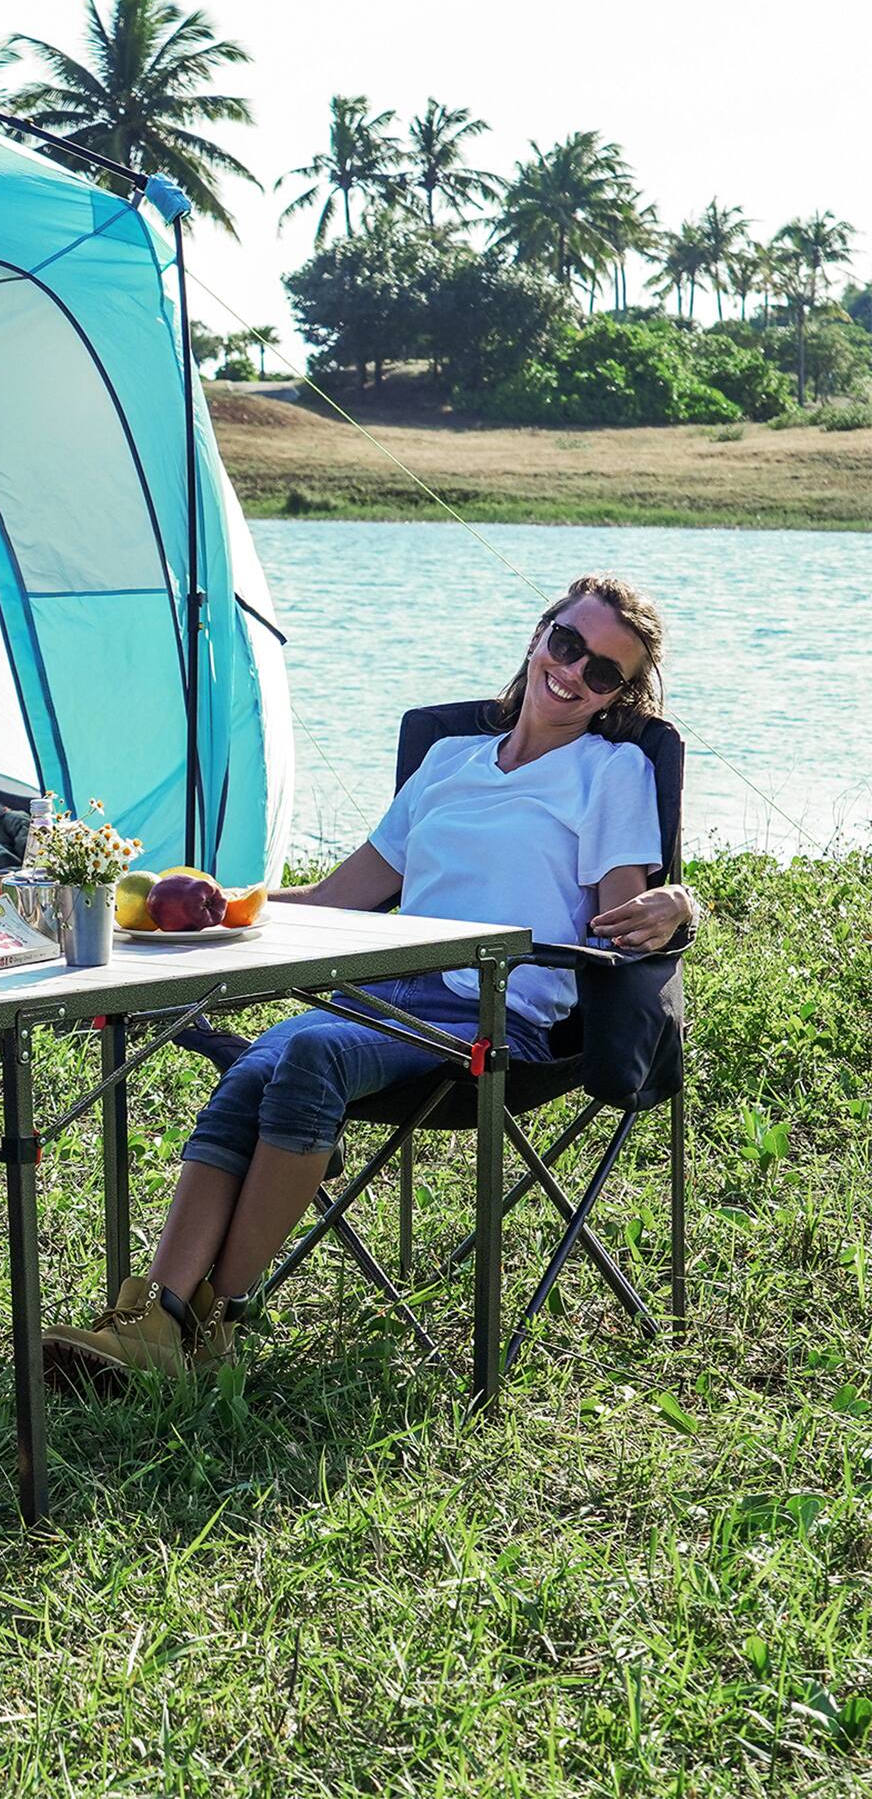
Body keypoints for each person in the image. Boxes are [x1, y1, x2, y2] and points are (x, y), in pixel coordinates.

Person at [43, 572, 698, 1384]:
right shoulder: (449, 761)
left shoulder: (611, 773)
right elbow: (335, 900)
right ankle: (155, 1319)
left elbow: (625, 923)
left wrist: (679, 905)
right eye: (568, 643)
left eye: (603, 671)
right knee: (255, 1068)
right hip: (387, 994)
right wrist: (206, 907)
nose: (573, 672)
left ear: (617, 697)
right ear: (540, 635)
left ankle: (209, 1323)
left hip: (496, 1017)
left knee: (310, 1057)